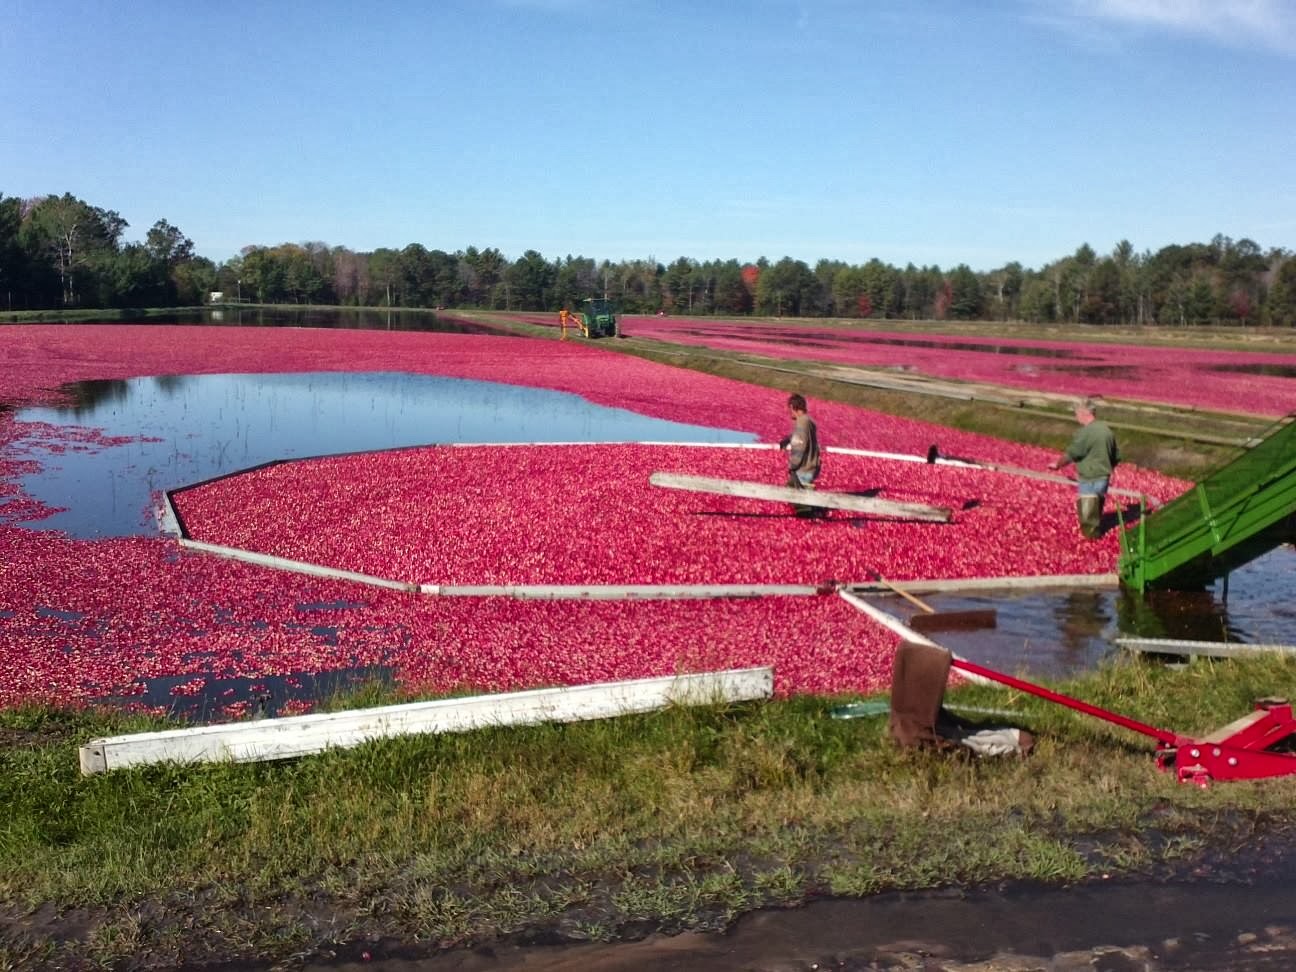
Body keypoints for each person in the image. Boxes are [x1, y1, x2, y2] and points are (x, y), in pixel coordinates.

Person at [1049, 397, 1120, 539]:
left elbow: (1074, 452)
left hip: (1090, 478)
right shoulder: (1106, 430)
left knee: (1087, 513)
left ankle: (1091, 538)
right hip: (1103, 477)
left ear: (1084, 413)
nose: (1076, 418)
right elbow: (1116, 456)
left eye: (1076, 414)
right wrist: (1107, 467)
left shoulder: (1086, 433)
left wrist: (1057, 464)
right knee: (1097, 507)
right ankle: (1096, 532)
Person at [779, 393, 822, 517]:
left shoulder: (801, 423)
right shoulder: (808, 421)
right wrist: (788, 439)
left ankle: (810, 516)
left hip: (804, 468)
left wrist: (792, 465)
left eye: (790, 409)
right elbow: (802, 437)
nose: (790, 413)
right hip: (811, 465)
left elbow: (800, 446)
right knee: (791, 488)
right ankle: (813, 511)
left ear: (793, 407)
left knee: (802, 503)